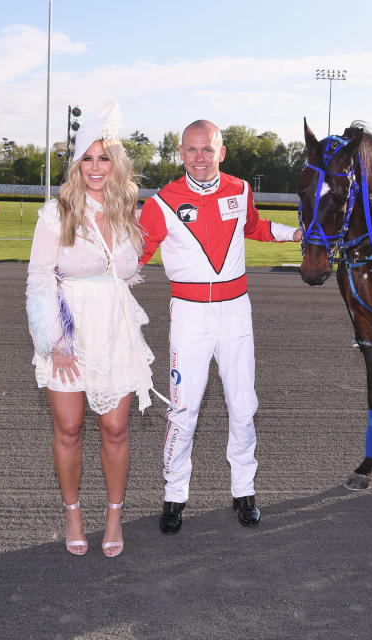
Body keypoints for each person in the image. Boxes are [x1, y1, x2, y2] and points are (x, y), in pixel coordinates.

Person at [139, 120, 303, 532]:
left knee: (243, 407)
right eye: (192, 150)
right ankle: (175, 495)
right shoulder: (160, 203)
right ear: (180, 152)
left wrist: (295, 233)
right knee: (183, 411)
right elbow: (135, 254)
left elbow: (254, 227)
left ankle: (244, 491)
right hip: (189, 318)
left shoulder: (240, 189)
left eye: (207, 150)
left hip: (235, 314)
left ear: (222, 152)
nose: (199, 158)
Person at [26, 101, 154, 557]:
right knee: (69, 427)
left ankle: (114, 517)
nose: (96, 167)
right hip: (68, 332)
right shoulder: (54, 214)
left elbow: (129, 269)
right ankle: (73, 512)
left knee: (116, 428)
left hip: (114, 329)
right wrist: (54, 340)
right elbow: (40, 277)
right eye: (88, 158)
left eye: (104, 158)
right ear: (77, 164)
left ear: (115, 163)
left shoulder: (126, 210)